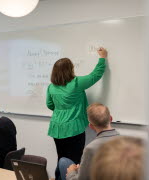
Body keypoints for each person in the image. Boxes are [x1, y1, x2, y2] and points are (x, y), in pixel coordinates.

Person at [46, 48, 108, 178]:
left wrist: (61, 111)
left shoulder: (51, 87)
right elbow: (95, 75)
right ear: (70, 69)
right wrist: (102, 58)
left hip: (57, 127)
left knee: (61, 158)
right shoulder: (76, 83)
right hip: (74, 128)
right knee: (75, 161)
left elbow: (50, 105)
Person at [58, 103, 120, 180]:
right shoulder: (125, 142)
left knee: (63, 162)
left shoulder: (91, 148)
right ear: (110, 118)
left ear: (91, 126)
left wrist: (71, 172)